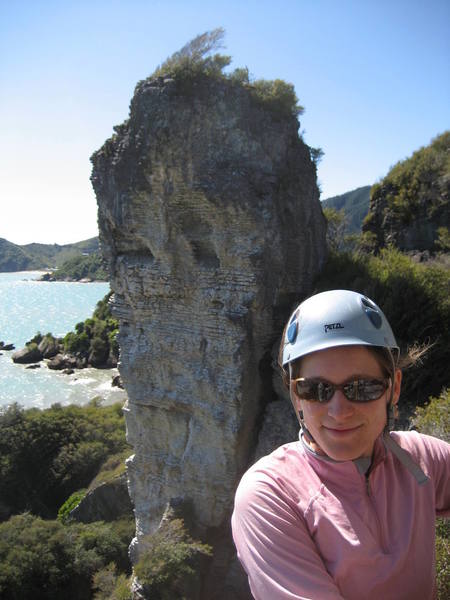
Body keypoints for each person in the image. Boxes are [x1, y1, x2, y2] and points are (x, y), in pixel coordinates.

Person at [231, 289, 449, 600]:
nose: (338, 410)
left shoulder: (418, 458)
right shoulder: (270, 495)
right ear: (296, 397)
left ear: (394, 388)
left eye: (362, 388)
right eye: (316, 390)